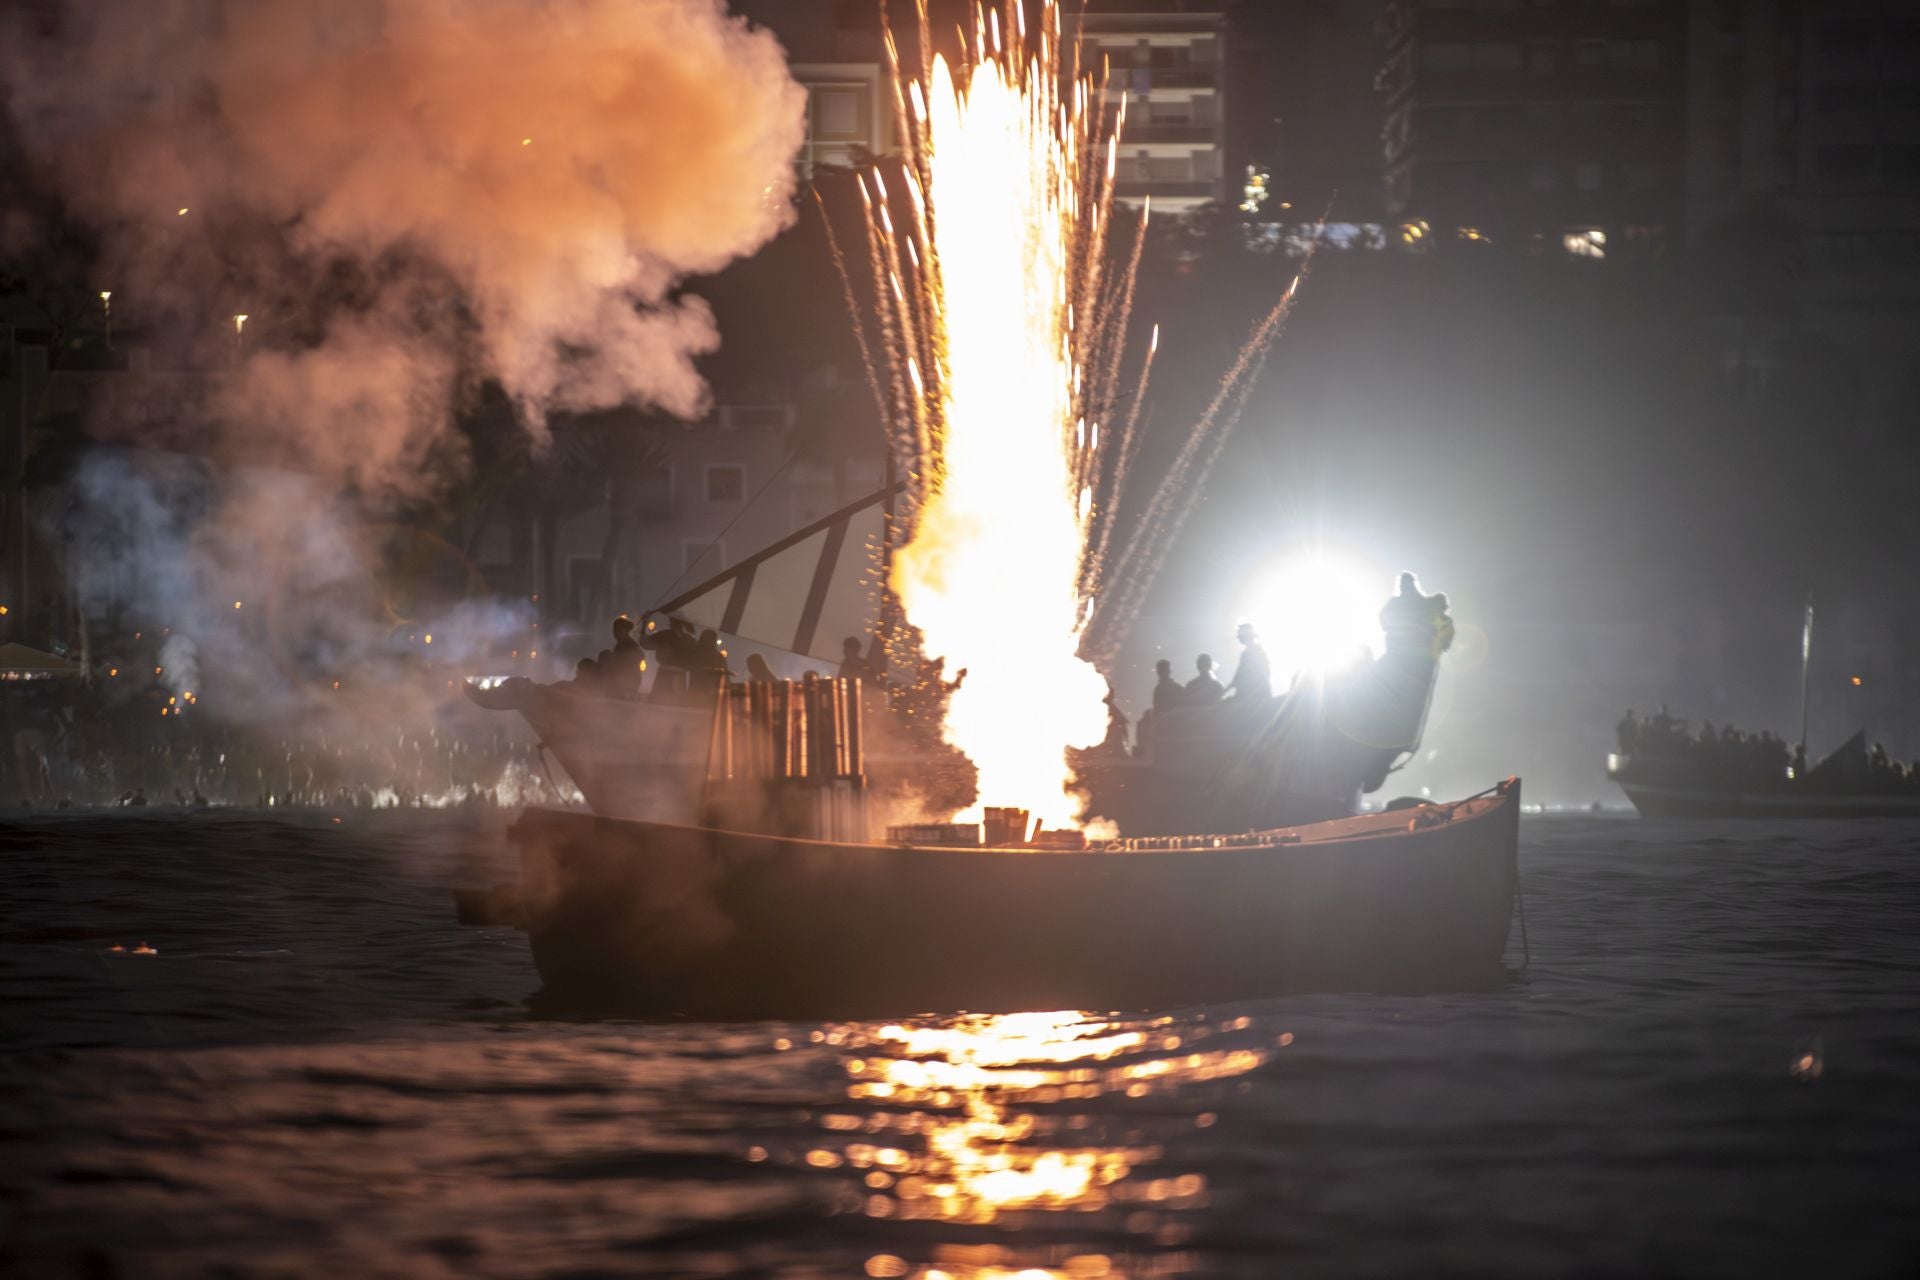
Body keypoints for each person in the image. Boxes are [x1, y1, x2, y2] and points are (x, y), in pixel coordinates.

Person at [1228, 623, 1271, 700]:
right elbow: (1238, 677)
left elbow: (1264, 674)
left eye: (1240, 636)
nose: (1239, 639)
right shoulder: (1246, 653)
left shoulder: (1257, 652)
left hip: (1257, 697)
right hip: (1250, 694)